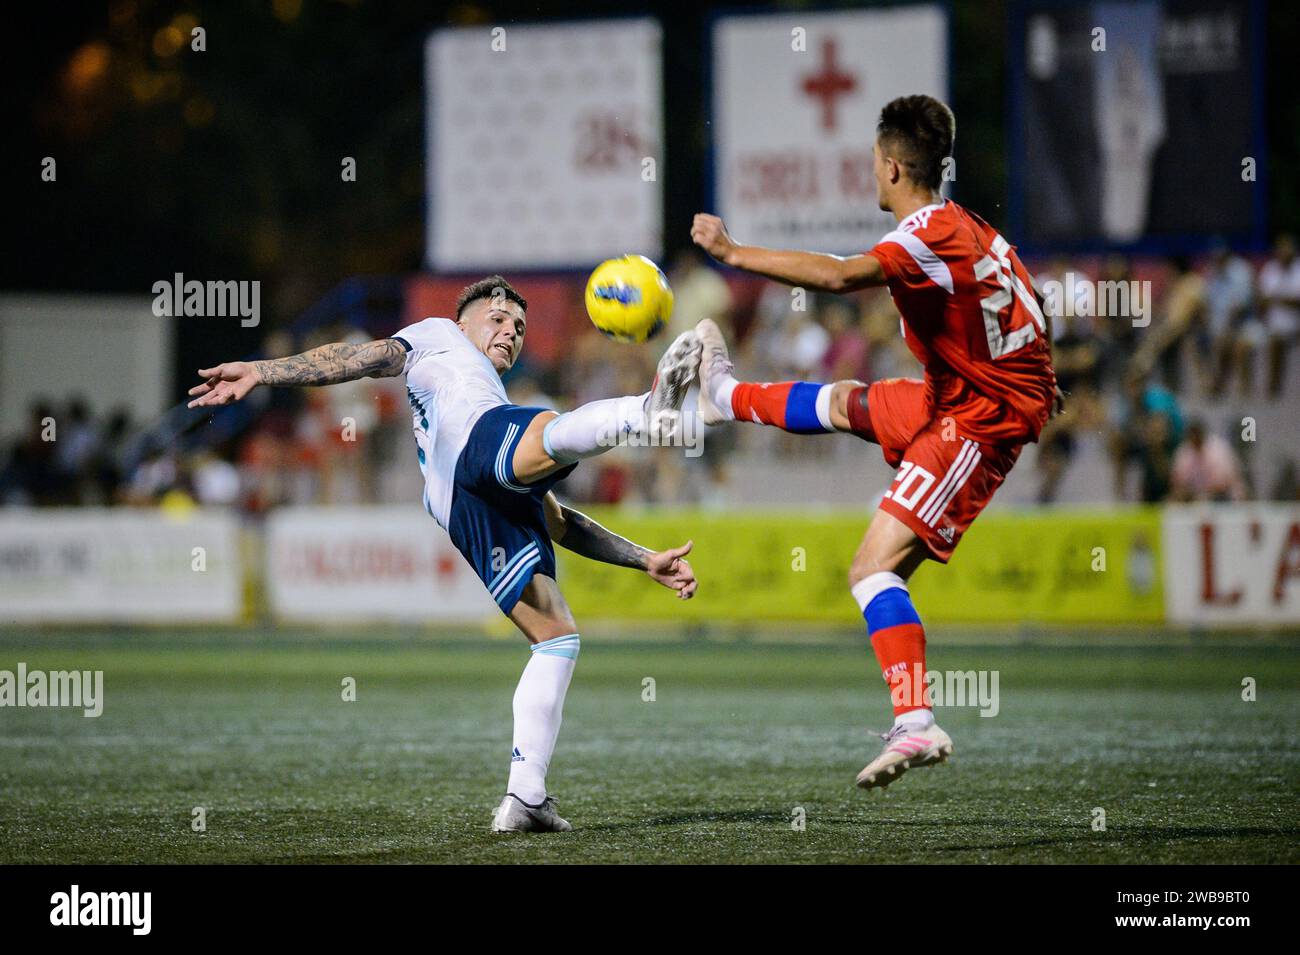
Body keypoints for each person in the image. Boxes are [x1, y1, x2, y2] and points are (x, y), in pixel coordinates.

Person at [188, 275, 701, 832]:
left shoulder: (489, 397)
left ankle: (525, 797)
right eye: (498, 319)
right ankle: (644, 412)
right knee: (547, 425)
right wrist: (262, 371)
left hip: (461, 505)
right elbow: (360, 357)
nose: (511, 332)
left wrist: (643, 558)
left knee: (556, 638)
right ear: (461, 324)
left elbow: (556, 521)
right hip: (472, 449)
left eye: (520, 327)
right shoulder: (437, 336)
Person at [690, 94, 1060, 790]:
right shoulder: (969, 226)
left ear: (891, 165)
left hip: (976, 419)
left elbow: (838, 276)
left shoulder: (924, 232)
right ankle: (722, 397)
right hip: (953, 393)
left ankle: (916, 721)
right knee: (847, 401)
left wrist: (734, 252)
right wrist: (1042, 377)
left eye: (871, 159)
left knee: (870, 569)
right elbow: (1026, 301)